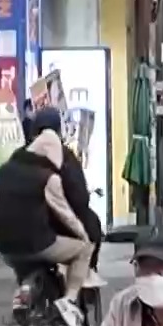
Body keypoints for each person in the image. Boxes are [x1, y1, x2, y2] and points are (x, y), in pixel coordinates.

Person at [0, 124, 95, 326]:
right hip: (36, 243)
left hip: (4, 246)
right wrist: (84, 235)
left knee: (25, 264)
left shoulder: (4, 172)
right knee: (83, 249)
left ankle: (27, 300)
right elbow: (66, 215)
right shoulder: (49, 178)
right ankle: (68, 302)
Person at [30, 106, 105, 280]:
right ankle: (84, 279)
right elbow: (79, 198)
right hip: (58, 229)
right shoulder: (65, 156)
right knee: (92, 227)